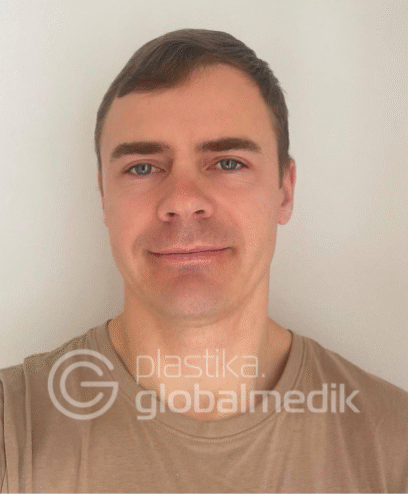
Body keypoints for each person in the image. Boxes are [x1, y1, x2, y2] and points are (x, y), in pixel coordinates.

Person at [0, 28, 407, 493]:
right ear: (104, 199)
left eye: (228, 162)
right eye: (142, 167)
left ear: (284, 190)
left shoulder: (393, 448)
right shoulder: (14, 429)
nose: (183, 201)